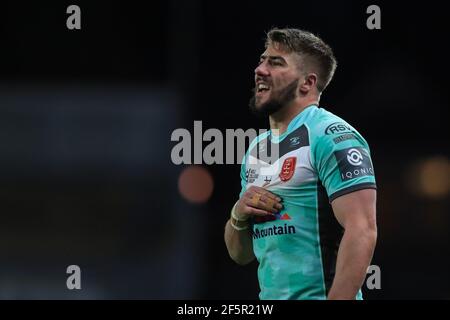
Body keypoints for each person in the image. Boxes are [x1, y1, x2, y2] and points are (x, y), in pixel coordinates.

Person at [224, 28, 377, 300]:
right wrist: (239, 213)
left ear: (307, 83)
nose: (260, 69)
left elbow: (363, 229)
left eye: (275, 62)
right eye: (262, 60)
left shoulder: (331, 135)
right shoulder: (256, 150)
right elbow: (241, 255)